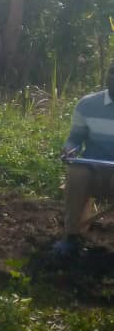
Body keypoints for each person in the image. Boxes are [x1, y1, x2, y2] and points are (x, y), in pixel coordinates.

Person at [53, 62, 114, 258]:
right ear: (107, 76)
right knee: (76, 173)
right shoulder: (87, 105)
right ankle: (71, 235)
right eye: (112, 73)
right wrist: (69, 150)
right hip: (93, 169)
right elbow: (75, 139)